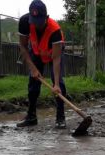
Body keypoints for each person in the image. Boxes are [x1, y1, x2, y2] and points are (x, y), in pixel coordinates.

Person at [16, 0, 67, 128]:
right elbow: (22, 46)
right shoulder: (24, 22)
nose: (37, 24)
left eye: (40, 21)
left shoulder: (55, 30)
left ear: (46, 17)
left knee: (59, 84)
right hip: (37, 53)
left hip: (52, 54)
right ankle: (31, 117)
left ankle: (60, 118)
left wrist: (55, 84)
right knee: (33, 84)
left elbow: (56, 59)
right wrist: (32, 68)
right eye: (34, 21)